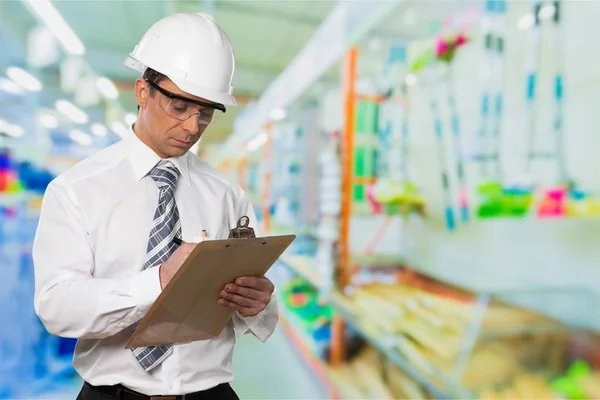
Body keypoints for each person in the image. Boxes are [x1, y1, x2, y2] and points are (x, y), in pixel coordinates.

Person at [32, 13, 278, 400]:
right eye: (180, 106)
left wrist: (258, 304)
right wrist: (159, 281)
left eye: (207, 112)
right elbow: (56, 306)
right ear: (143, 91)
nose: (193, 127)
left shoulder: (227, 195)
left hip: (210, 392)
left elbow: (255, 304)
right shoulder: (76, 190)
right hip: (114, 393)